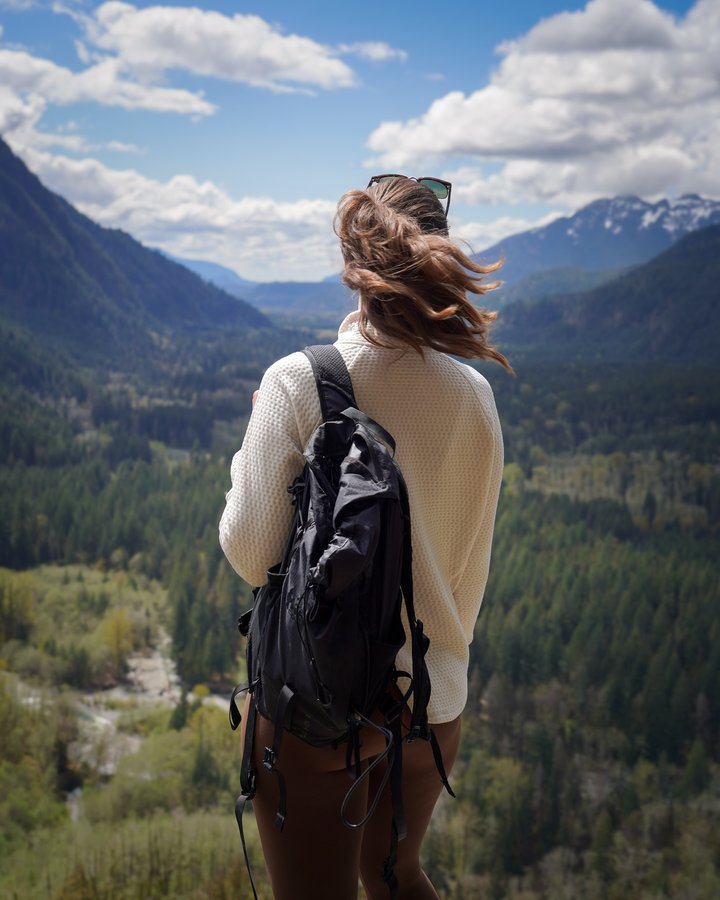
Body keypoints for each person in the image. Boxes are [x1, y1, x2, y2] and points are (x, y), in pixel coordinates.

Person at [219, 174, 510, 899]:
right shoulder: (476, 394)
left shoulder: (298, 381)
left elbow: (250, 554)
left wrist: (250, 446)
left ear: (354, 262)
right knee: (399, 879)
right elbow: (466, 564)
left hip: (318, 707)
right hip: (432, 703)